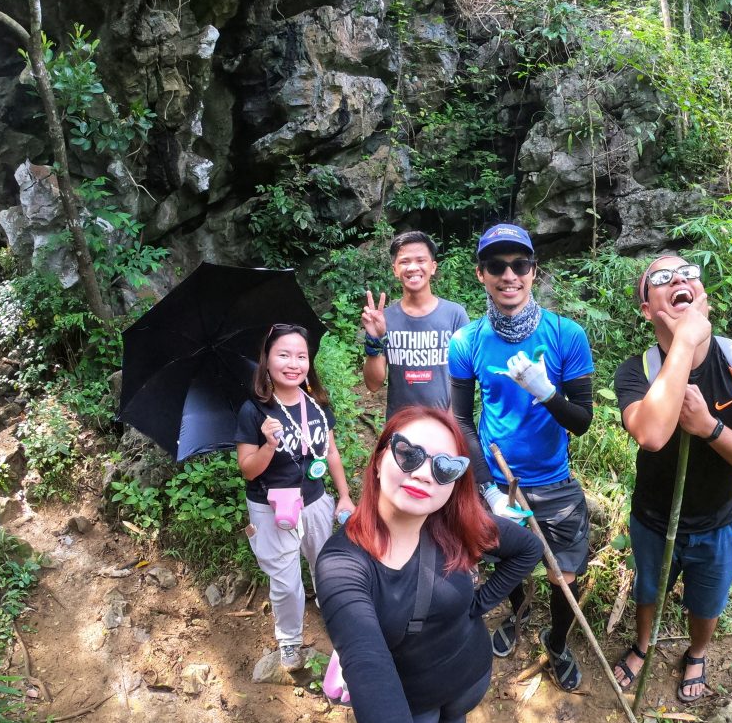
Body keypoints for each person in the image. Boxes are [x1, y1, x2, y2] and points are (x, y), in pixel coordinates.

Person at [316, 407, 541, 723]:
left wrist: (482, 603)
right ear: (378, 460)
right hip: (411, 698)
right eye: (409, 454)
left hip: (469, 673)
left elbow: (529, 549)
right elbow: (368, 664)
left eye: (444, 467)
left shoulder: (456, 523)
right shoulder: (342, 565)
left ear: (455, 481)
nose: (423, 474)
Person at [612, 255, 732, 702]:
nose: (678, 280)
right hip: (652, 517)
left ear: (701, 293)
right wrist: (685, 344)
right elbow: (650, 434)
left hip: (717, 521)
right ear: (648, 309)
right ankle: (642, 645)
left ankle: (697, 653)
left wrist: (710, 427)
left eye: (687, 273)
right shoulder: (637, 372)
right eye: (662, 279)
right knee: (648, 590)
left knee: (706, 602)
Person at [448, 223, 596, 692]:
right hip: (500, 483)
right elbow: (462, 421)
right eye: (497, 265)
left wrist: (547, 392)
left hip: (555, 482)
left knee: (564, 575)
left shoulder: (566, 334)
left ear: (533, 271)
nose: (508, 275)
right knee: (505, 562)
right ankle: (518, 614)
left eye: (519, 265)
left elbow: (582, 420)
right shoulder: (466, 342)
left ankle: (556, 640)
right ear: (481, 274)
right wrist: (488, 488)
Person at [235, 323, 356, 670]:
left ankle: (337, 622)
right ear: (267, 361)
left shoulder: (316, 404)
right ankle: (289, 641)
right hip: (270, 507)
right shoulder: (254, 411)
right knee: (286, 584)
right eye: (283, 354)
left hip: (316, 500)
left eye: (301, 355)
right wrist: (269, 445)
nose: (293, 363)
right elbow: (247, 469)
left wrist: (344, 496)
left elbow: (330, 452)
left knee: (329, 569)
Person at [362, 231, 469, 418]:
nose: (413, 267)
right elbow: (373, 384)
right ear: (395, 269)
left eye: (421, 260)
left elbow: (465, 379)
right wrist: (375, 339)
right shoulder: (383, 319)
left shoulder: (454, 315)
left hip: (444, 428)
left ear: (433, 266)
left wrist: (453, 428)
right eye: (404, 261)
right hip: (400, 431)